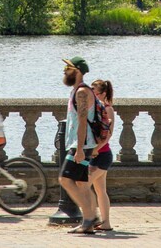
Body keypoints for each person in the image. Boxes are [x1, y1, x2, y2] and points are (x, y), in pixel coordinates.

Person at [59, 56, 99, 234]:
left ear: (77, 71)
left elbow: (83, 122)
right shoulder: (77, 90)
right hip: (82, 143)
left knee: (65, 179)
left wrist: (80, 149)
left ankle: (89, 217)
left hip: (82, 144)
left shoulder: (82, 92)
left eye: (68, 68)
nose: (64, 71)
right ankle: (91, 220)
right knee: (82, 184)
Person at [89, 79, 116, 232]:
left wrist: (95, 149)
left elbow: (108, 135)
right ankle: (106, 223)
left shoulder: (108, 109)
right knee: (100, 190)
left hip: (102, 155)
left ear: (103, 93)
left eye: (95, 93)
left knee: (82, 186)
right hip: (97, 155)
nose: (92, 95)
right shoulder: (96, 108)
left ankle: (90, 219)